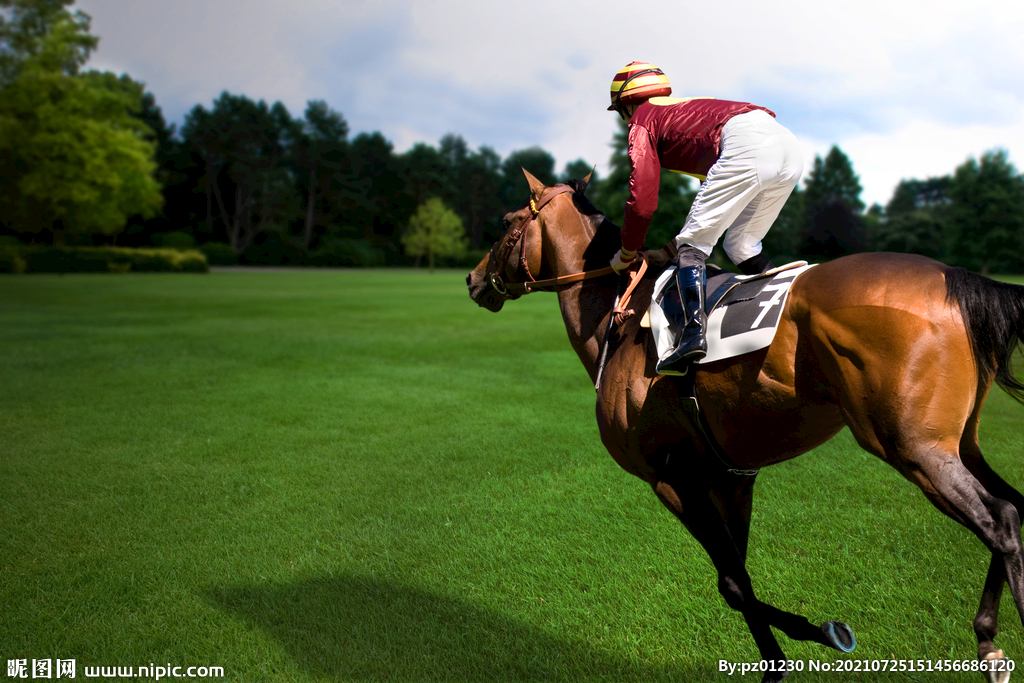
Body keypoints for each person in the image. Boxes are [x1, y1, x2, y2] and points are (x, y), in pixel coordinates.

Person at [607, 61, 803, 375]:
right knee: (741, 245)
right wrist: (670, 250)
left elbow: (642, 198)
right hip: (788, 146)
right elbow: (711, 210)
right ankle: (791, 306)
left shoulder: (643, 119)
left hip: (746, 146)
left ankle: (692, 336)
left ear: (627, 105)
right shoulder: (686, 111)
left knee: (694, 247)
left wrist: (627, 252)